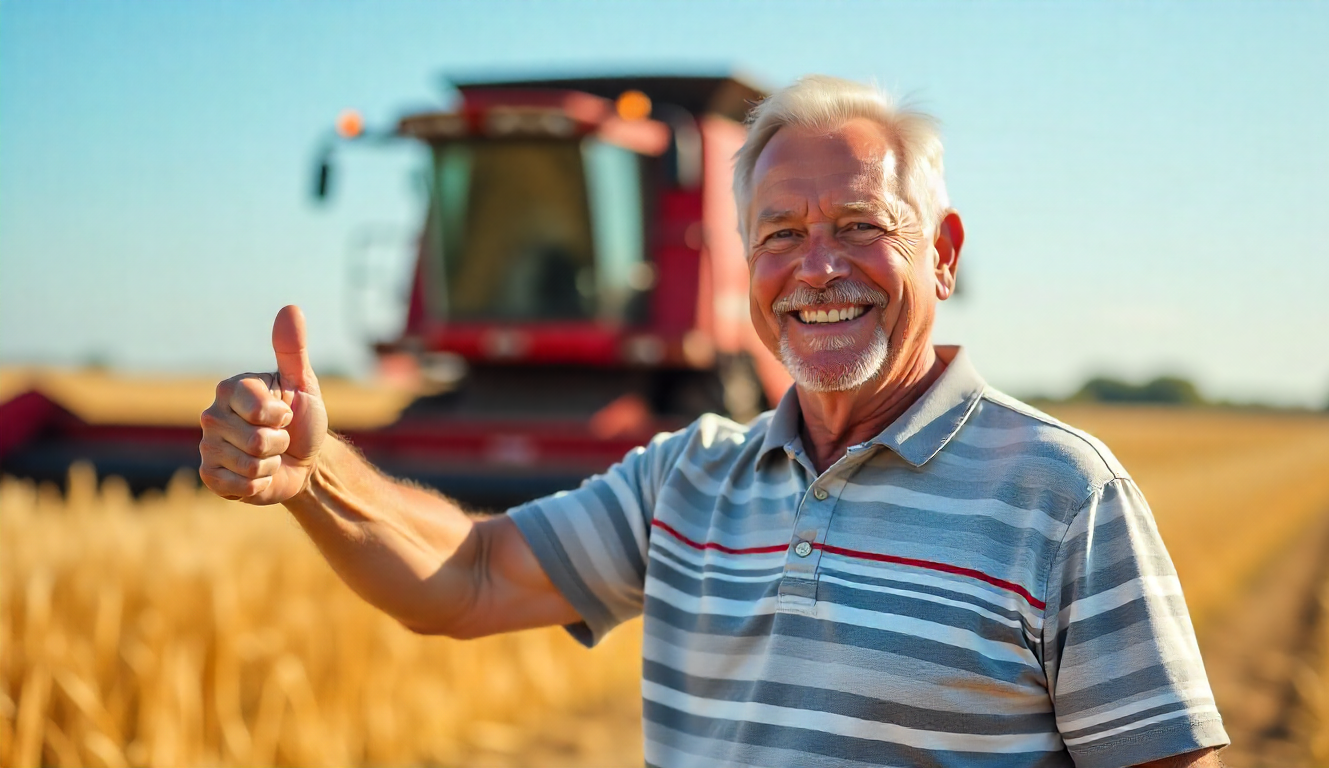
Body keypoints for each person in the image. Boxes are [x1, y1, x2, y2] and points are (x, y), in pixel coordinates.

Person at [199, 76, 1229, 767]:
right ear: (745, 263)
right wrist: (316, 472)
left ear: (945, 253)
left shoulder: (1063, 495)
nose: (816, 267)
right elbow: (467, 579)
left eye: (861, 226)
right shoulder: (686, 479)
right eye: (780, 235)